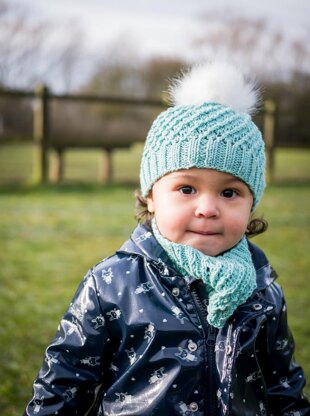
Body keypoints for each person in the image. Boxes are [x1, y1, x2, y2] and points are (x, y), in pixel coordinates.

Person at [24, 61, 310, 416]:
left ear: (253, 204)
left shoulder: (262, 288)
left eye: (230, 193)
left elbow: (283, 385)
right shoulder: (112, 284)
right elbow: (64, 383)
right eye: (187, 188)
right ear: (151, 196)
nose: (207, 208)